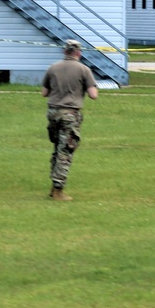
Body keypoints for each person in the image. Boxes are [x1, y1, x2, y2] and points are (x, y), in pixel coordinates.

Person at [41, 39, 98, 201]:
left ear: (64, 51)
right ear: (78, 52)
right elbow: (93, 95)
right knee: (65, 151)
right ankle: (58, 189)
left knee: (57, 148)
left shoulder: (53, 68)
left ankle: (54, 186)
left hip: (53, 113)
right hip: (70, 115)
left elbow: (44, 93)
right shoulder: (84, 70)